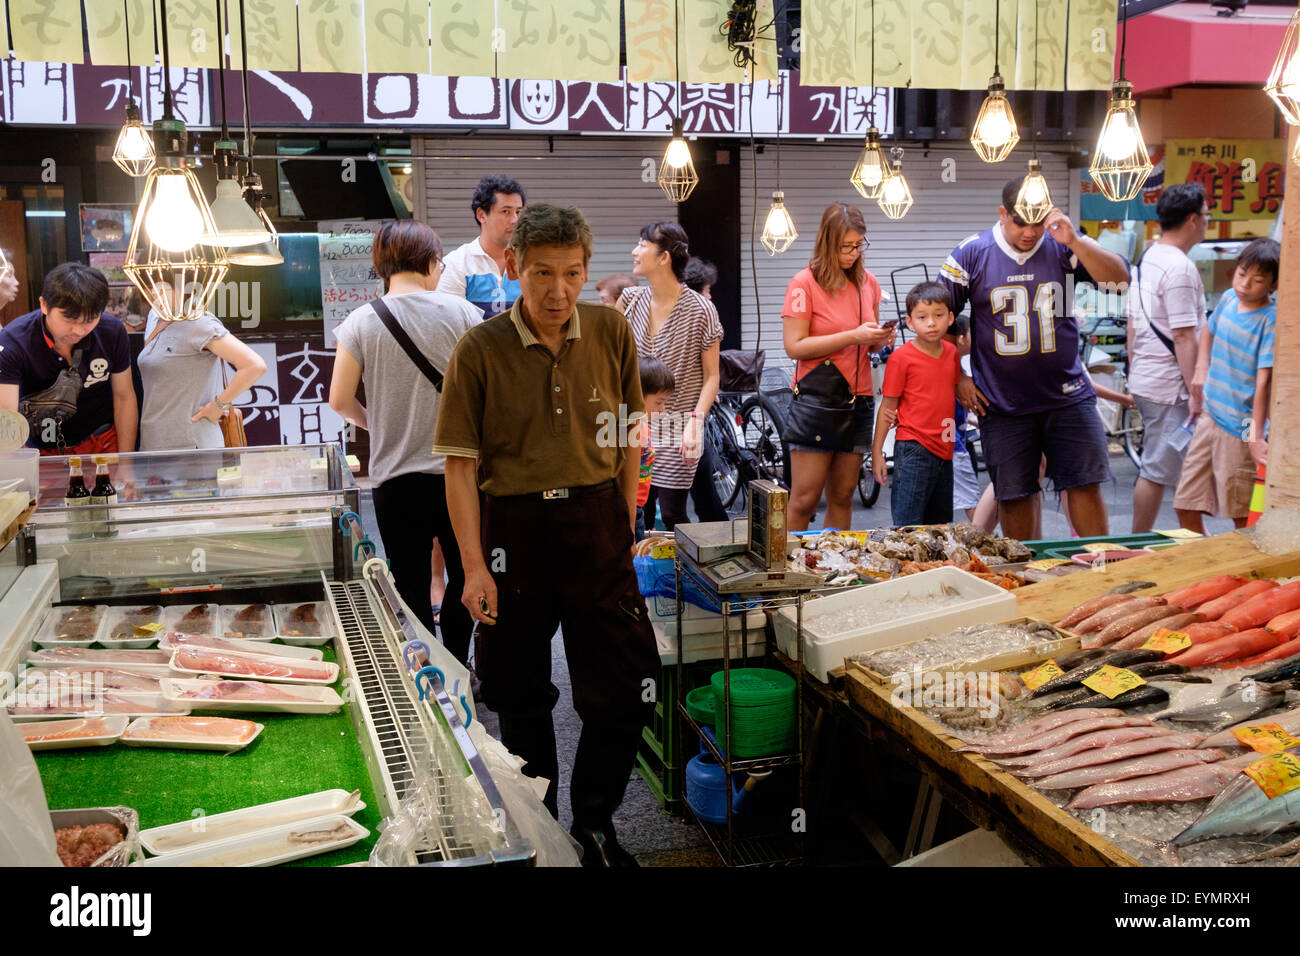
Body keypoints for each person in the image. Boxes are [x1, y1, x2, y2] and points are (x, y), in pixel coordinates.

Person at [434, 203, 659, 867]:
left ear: (587, 271)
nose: (558, 291)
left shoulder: (613, 331)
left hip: (595, 522)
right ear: (512, 268)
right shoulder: (478, 348)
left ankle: (594, 823)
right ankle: (542, 831)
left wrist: (623, 519)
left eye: (571, 274)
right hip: (513, 529)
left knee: (623, 687)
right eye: (541, 274)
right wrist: (473, 566)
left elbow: (626, 435)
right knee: (518, 695)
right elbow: (459, 465)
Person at [940, 177, 1130, 541]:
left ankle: (1100, 568)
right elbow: (938, 320)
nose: (1029, 231)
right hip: (1002, 402)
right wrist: (958, 377)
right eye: (1019, 221)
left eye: (1037, 221)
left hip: (1068, 393)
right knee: (1014, 494)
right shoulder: (970, 252)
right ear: (1002, 214)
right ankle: (1026, 577)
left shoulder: (1065, 243)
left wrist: (1075, 240)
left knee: (1085, 483)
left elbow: (1119, 282)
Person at [329, 220, 481, 664]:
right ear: (433, 262)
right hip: (459, 475)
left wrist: (380, 424)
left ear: (382, 265)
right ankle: (458, 661)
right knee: (466, 574)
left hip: (395, 480)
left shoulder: (360, 321)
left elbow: (339, 399)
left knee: (410, 582)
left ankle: (427, 670)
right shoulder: (465, 314)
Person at [782, 202, 894, 531]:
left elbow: (865, 340)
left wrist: (878, 338)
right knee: (803, 499)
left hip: (859, 400)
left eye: (859, 245)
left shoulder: (868, 283)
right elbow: (795, 347)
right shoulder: (804, 283)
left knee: (844, 495)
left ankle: (836, 568)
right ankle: (789, 571)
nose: (853, 253)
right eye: (846, 246)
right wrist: (852, 336)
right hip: (818, 400)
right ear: (827, 243)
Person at [617, 222, 722, 530]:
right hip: (634, 424)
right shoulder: (630, 300)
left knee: (673, 514)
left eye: (642, 245)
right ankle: (641, 575)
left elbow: (712, 376)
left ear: (663, 258)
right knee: (636, 512)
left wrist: (695, 422)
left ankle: (679, 575)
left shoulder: (701, 309)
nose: (635, 251)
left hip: (678, 425)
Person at [1175, 238, 1278, 533]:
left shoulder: (1269, 320)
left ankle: (1241, 574)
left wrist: (1255, 437)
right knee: (1185, 504)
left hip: (1242, 426)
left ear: (1272, 286)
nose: (1245, 284)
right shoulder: (1229, 300)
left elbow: (1264, 384)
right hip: (1210, 415)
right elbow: (1208, 330)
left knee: (1240, 513)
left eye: (1258, 280)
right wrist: (1200, 369)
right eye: (1242, 274)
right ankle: (1203, 566)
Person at [1127, 183, 1210, 533]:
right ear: (1192, 219)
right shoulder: (1179, 268)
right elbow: (1183, 335)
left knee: (1177, 467)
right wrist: (1195, 391)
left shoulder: (1149, 256)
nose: (1207, 222)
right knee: (1158, 469)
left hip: (1149, 379)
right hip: (1170, 387)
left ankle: (1191, 537)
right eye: (1206, 216)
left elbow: (1132, 323)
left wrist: (1134, 369)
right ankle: (1134, 542)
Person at [0, 262, 137, 456]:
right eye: (70, 320)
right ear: (44, 305)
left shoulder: (112, 331)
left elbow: (124, 397)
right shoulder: (13, 341)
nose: (79, 330)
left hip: (100, 441)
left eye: (90, 320)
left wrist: (126, 463)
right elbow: (7, 417)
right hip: (39, 448)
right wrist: (23, 467)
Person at [872, 282, 961, 527]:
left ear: (950, 318)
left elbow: (948, 395)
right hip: (913, 448)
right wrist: (877, 452)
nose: (931, 323)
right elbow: (888, 408)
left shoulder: (952, 352)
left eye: (939, 315)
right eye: (922, 317)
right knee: (908, 527)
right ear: (910, 322)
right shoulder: (901, 358)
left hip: (946, 448)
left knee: (941, 528)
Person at [136, 291, 267, 451]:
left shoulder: (199, 322)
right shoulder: (154, 316)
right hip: (154, 443)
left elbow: (254, 365)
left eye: (163, 287)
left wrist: (218, 405)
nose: (153, 294)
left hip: (192, 446)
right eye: (148, 286)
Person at [436, 174, 526, 318]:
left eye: (518, 212)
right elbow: (451, 322)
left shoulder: (530, 261)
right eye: (506, 212)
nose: (515, 220)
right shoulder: (456, 264)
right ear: (481, 215)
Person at [680, 255, 728, 524]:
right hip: (683, 416)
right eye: (707, 290)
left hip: (689, 416)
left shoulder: (700, 315)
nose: (710, 298)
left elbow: (710, 372)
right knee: (701, 491)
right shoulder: (694, 315)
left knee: (701, 490)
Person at [944, 314, 982, 522]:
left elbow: (954, 411)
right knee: (971, 498)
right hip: (953, 445)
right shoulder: (952, 371)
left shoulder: (960, 370)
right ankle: (983, 538)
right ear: (961, 338)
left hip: (954, 441)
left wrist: (971, 420)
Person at [636, 356, 674, 541]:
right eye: (658, 402)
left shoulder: (643, 426)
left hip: (637, 506)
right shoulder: (630, 430)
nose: (662, 408)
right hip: (629, 508)